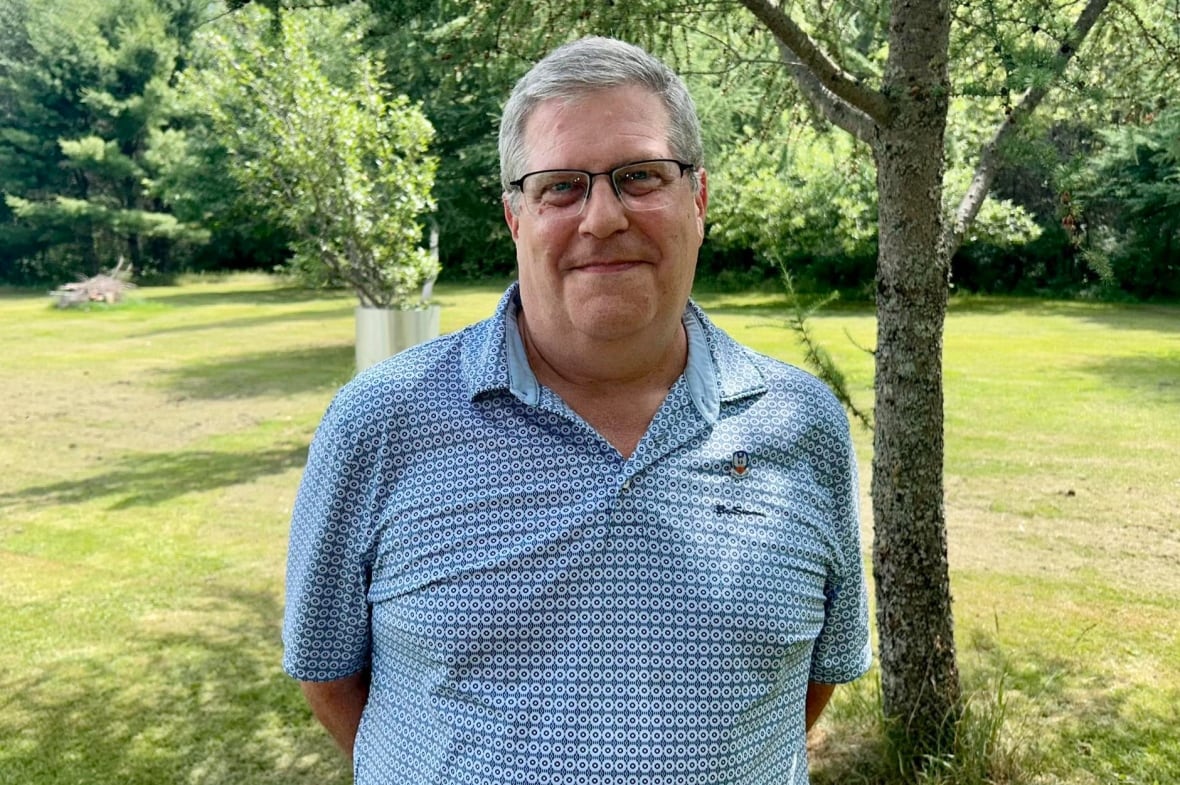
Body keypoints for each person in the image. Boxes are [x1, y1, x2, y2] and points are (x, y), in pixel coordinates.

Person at [283, 35, 871, 785]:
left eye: (640, 176)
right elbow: (329, 676)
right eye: (561, 186)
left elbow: (802, 686)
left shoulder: (802, 425)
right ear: (514, 217)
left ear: (699, 198)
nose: (602, 218)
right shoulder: (381, 421)